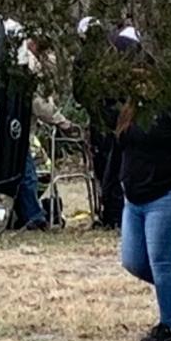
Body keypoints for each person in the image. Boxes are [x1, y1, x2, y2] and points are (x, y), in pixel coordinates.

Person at [112, 48, 171, 341]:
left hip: (170, 194)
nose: (138, 85)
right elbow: (120, 148)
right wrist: (109, 186)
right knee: (134, 262)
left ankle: (167, 328)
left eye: (143, 78)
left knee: (161, 262)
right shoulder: (128, 109)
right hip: (134, 197)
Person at [14, 29, 77, 230]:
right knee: (28, 175)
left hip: (25, 129)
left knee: (35, 172)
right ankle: (33, 217)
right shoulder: (26, 62)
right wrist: (61, 121)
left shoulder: (29, 59)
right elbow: (38, 104)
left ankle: (28, 213)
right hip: (20, 130)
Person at [73, 17, 125, 229]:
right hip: (122, 115)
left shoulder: (83, 58)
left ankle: (111, 214)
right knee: (122, 163)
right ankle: (122, 212)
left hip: (100, 117)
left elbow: (79, 92)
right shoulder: (116, 51)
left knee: (104, 165)